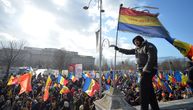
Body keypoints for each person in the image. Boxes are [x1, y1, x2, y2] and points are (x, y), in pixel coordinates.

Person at [114, 35, 160, 110]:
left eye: (137, 41)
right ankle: (155, 108)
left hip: (149, 70)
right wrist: (119, 49)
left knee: (143, 88)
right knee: (149, 89)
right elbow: (128, 51)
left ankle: (144, 108)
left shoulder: (149, 46)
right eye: (134, 42)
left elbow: (151, 58)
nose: (136, 43)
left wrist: (146, 70)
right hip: (143, 71)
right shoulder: (137, 49)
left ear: (141, 40)